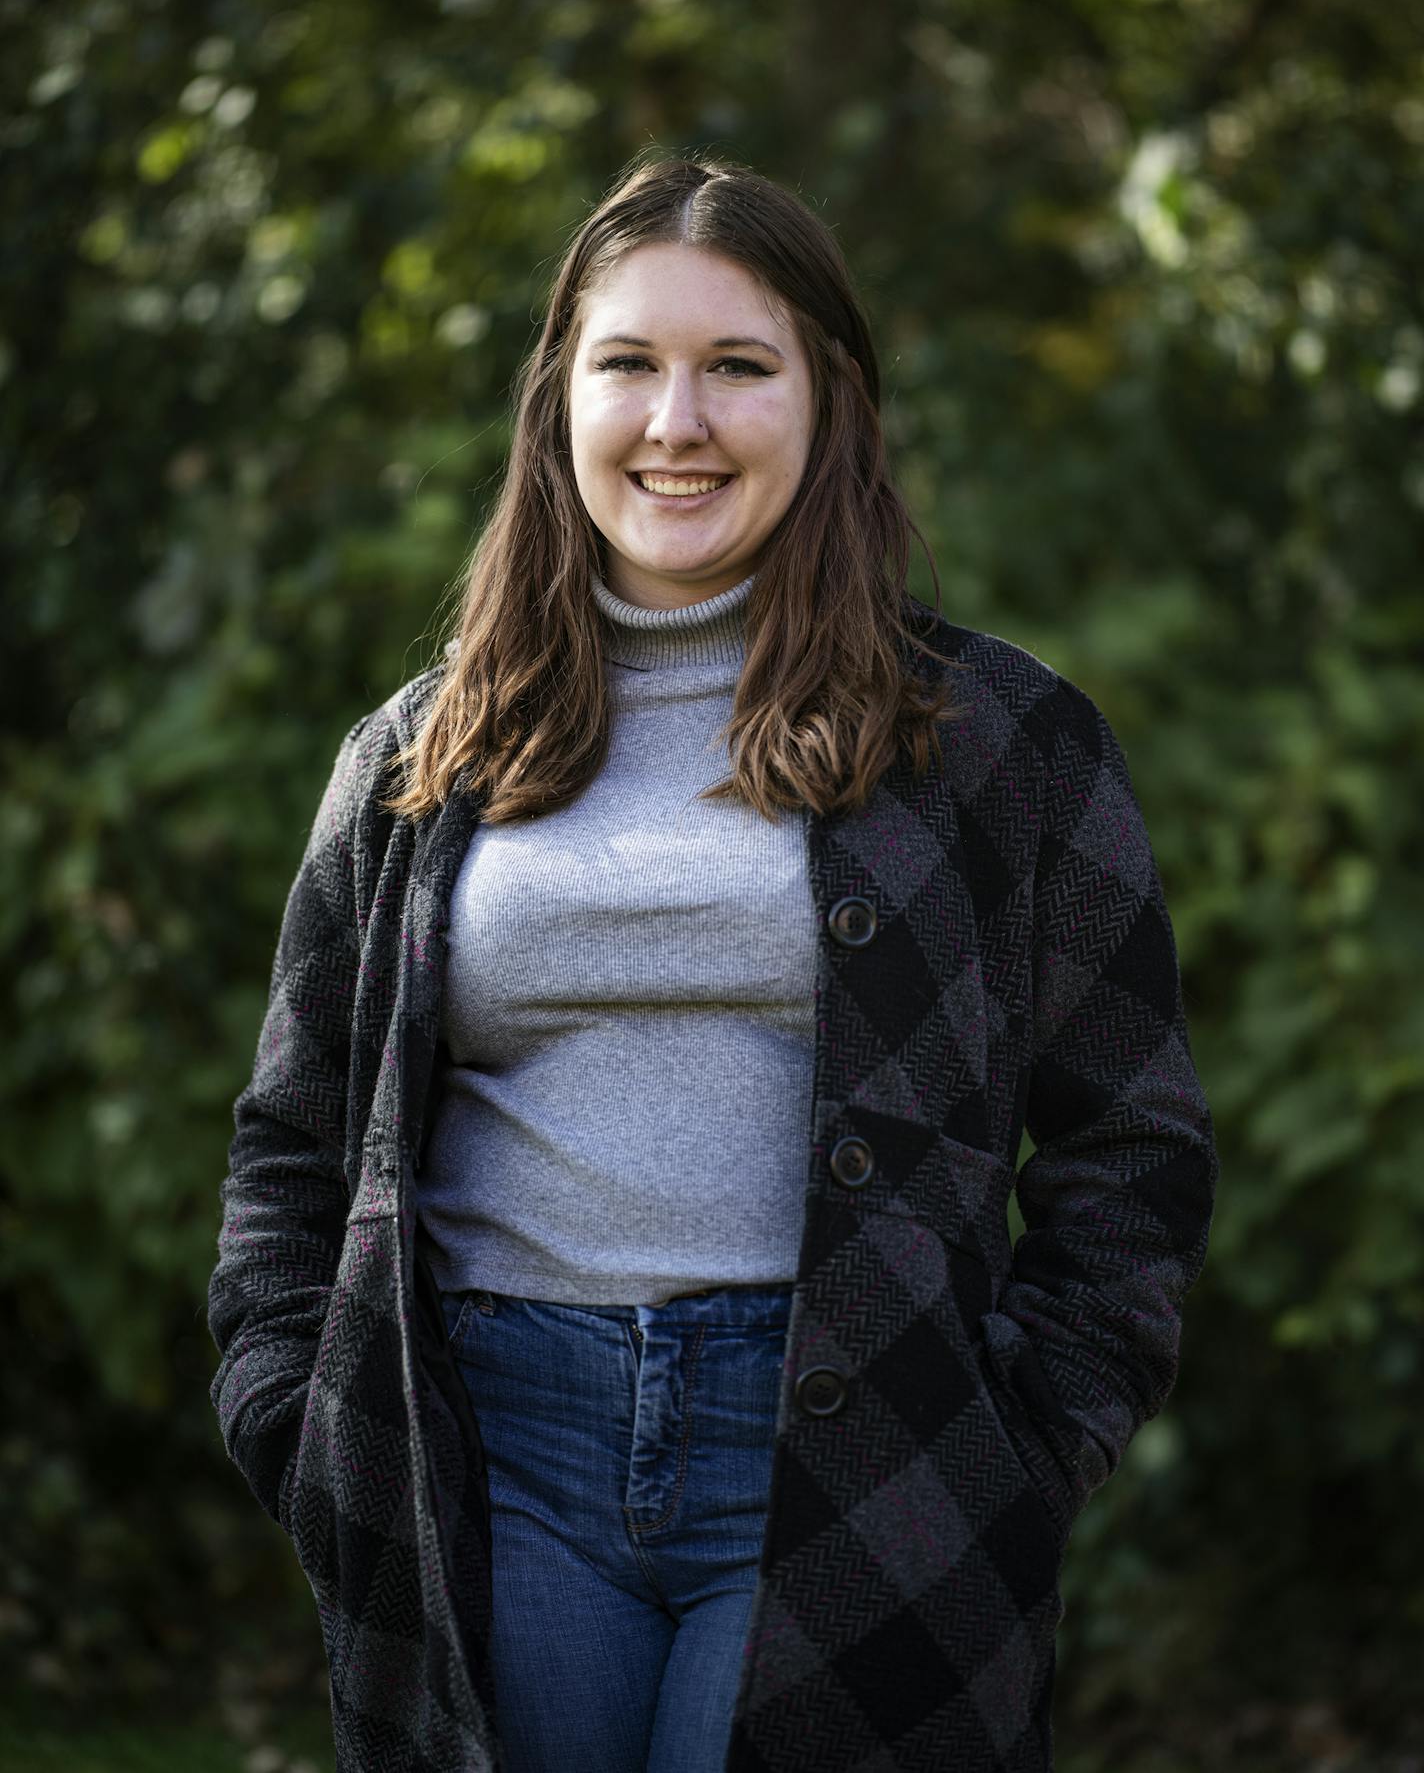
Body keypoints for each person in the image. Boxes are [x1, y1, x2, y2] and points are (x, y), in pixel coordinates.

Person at [207, 153, 1219, 1773]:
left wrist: (1020, 1450)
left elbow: (1132, 1148)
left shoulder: (999, 745)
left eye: (739, 367)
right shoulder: (417, 760)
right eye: (630, 365)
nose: (677, 422)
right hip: (496, 1452)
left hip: (862, 1458)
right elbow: (291, 1139)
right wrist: (297, 1416)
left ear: (830, 404)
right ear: (561, 402)